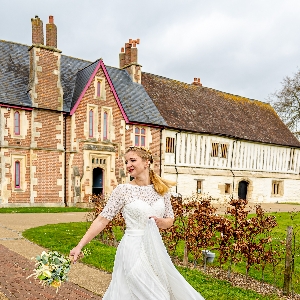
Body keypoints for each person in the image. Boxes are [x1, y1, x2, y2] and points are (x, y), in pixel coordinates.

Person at [70, 146, 205, 300]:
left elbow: (170, 220)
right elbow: (102, 219)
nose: (128, 165)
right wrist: (79, 245)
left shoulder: (162, 190)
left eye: (133, 160)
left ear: (146, 162)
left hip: (155, 250)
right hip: (132, 249)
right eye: (126, 161)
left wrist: (161, 222)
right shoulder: (123, 190)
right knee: (154, 295)